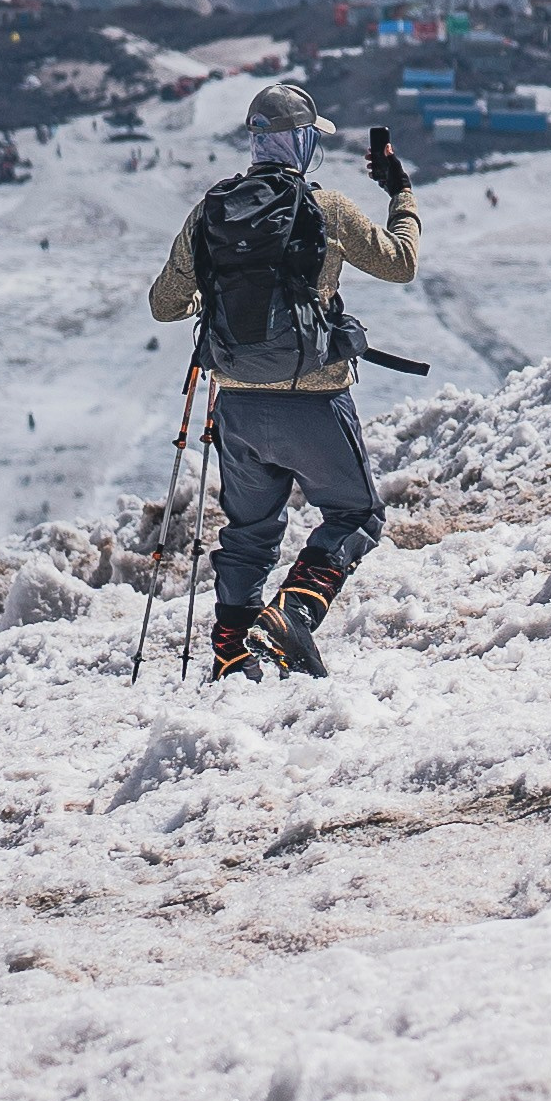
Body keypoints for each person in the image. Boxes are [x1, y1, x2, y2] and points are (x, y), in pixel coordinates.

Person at [148, 81, 419, 682]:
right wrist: (400, 191)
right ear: (302, 143)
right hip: (314, 400)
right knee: (356, 515)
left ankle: (232, 654)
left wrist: (216, 295)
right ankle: (293, 612)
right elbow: (401, 262)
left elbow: (163, 304)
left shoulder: (210, 211)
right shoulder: (328, 209)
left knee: (248, 533)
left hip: (238, 405)